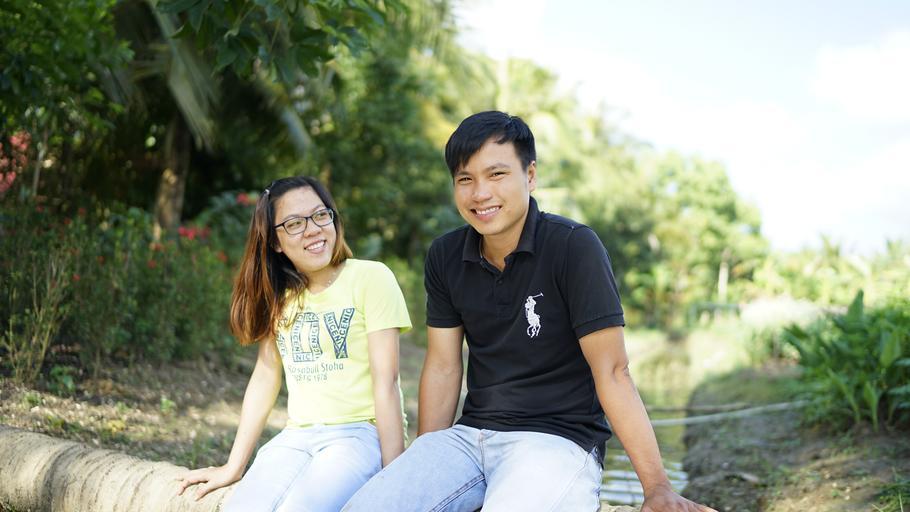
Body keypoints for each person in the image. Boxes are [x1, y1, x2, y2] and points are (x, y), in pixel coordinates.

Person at [343, 112, 715, 511]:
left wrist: (657, 487)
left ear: (530, 176)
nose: (480, 193)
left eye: (497, 174)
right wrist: (428, 457)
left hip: (556, 442)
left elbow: (613, 371)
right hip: (470, 438)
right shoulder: (445, 255)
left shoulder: (574, 246)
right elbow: (444, 367)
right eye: (465, 179)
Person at [176, 176, 411, 512]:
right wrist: (233, 466)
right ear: (275, 241)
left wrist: (395, 477)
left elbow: (386, 381)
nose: (313, 229)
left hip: (359, 435)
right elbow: (266, 375)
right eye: (295, 223)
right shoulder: (281, 295)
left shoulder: (371, 278)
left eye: (320, 215)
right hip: (295, 437)